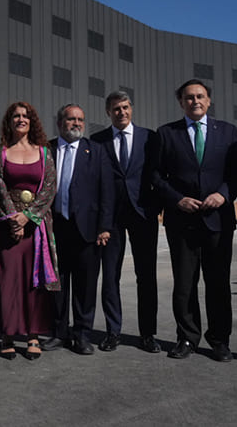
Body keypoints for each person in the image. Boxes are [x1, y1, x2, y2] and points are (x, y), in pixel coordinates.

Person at [153, 79, 237, 361]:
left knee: (218, 283)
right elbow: (155, 176)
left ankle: (219, 340)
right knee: (184, 284)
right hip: (182, 220)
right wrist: (176, 199)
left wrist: (224, 194)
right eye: (189, 97)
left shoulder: (228, 132)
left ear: (209, 100)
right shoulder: (167, 133)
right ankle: (187, 338)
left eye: (200, 96)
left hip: (218, 219)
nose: (195, 101)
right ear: (181, 102)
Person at [0, 101, 58, 360]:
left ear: (32, 121)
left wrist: (28, 217)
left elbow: (50, 188)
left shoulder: (45, 153)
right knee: (9, 282)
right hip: (7, 227)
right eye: (16, 116)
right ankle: (7, 333)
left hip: (36, 227)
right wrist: (12, 219)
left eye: (25, 116)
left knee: (33, 281)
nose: (21, 119)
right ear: (9, 121)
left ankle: (33, 335)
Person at [91, 91, 161, 353]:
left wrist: (156, 207)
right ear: (108, 112)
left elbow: (159, 173)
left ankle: (147, 334)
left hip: (143, 214)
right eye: (115, 109)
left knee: (146, 275)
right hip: (111, 218)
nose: (121, 112)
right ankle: (113, 331)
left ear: (132, 108)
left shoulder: (149, 138)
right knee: (110, 276)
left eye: (125, 107)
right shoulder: (98, 141)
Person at [44, 105, 113, 356]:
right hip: (55, 228)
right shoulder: (47, 149)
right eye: (71, 119)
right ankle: (57, 332)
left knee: (85, 285)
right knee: (56, 285)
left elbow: (107, 191)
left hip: (87, 230)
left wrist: (105, 226)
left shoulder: (96, 151)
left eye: (80, 120)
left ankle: (82, 334)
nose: (76, 123)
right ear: (60, 122)